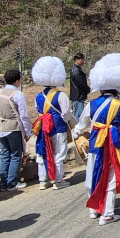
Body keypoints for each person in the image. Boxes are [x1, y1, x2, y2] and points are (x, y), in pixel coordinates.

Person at [72, 53, 120, 225]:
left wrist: (76, 133)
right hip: (114, 143)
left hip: (96, 142)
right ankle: (107, 213)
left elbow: (80, 125)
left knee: (94, 172)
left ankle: (94, 209)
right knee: (112, 176)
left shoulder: (91, 104)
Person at [30, 56, 77, 190]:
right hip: (58, 128)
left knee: (42, 152)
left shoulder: (38, 96)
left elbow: (38, 111)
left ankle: (43, 180)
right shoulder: (60, 95)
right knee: (59, 153)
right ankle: (58, 180)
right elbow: (66, 113)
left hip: (43, 129)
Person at [0, 69, 34, 192]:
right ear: (17, 81)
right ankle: (12, 183)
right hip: (13, 128)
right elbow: (24, 115)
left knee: (5, 155)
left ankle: (4, 183)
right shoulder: (17, 94)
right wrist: (28, 132)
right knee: (16, 155)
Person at [69, 53, 90, 121]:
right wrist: (88, 89)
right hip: (78, 96)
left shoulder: (77, 69)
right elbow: (81, 84)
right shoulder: (76, 71)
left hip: (78, 95)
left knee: (78, 114)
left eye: (84, 60)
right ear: (76, 60)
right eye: (82, 60)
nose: (83, 61)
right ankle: (76, 130)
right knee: (78, 115)